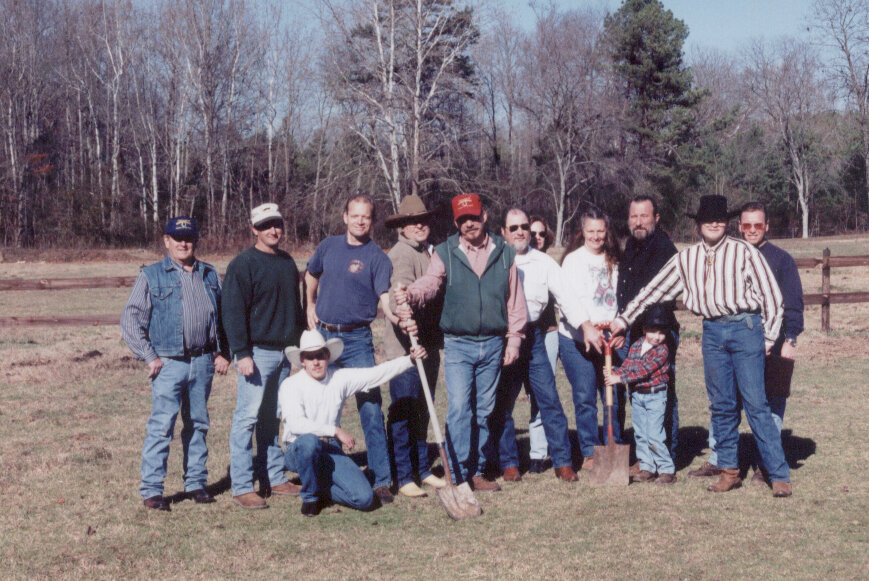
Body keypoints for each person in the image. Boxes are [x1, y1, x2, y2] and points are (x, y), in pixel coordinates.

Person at [612, 195, 792, 497]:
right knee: (721, 405)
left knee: (756, 403)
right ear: (698, 224)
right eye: (708, 219)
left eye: (720, 219)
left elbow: (772, 296)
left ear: (727, 222)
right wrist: (624, 319)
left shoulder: (745, 252)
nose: (714, 224)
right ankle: (729, 470)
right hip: (712, 333)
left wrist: (771, 336)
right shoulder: (686, 258)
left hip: (746, 328)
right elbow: (653, 290)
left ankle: (778, 473)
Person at [394, 193, 527, 492]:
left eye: (474, 217)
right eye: (463, 220)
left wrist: (514, 341)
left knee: (483, 409)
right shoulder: (445, 251)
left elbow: (515, 300)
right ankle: (456, 470)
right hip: (458, 344)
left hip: (493, 343)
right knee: (458, 409)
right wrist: (412, 293)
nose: (470, 224)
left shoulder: (505, 252)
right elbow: (431, 282)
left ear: (484, 217)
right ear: (456, 223)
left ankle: (476, 470)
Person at [121, 216, 230, 511]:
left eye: (189, 238)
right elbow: (131, 319)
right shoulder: (151, 275)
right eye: (177, 237)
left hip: (203, 361)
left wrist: (222, 352)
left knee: (198, 424)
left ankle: (196, 483)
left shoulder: (209, 274)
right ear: (166, 241)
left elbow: (221, 319)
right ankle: (153, 490)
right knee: (161, 426)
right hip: (169, 363)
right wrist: (149, 355)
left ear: (195, 241)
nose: (183, 243)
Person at [694, 202, 804, 484]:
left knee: (767, 404)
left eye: (758, 225)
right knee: (725, 400)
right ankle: (720, 458)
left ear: (767, 226)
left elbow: (791, 304)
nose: (752, 230)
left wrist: (789, 339)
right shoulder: (727, 254)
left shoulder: (781, 259)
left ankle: (765, 464)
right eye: (746, 225)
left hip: (773, 342)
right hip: (737, 340)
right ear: (738, 226)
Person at [304, 194, 395, 504]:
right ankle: (323, 473)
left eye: (365, 217)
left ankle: (381, 479)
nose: (359, 221)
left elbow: (385, 299)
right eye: (354, 215)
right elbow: (311, 274)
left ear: (372, 221)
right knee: (323, 406)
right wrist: (310, 304)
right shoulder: (328, 246)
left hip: (358, 341)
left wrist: (397, 315)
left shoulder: (378, 258)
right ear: (344, 216)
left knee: (370, 408)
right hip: (325, 339)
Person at [279, 330, 427, 516]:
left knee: (365, 499)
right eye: (310, 357)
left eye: (319, 355)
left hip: (329, 447)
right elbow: (295, 425)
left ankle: (320, 485)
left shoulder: (339, 377)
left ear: (327, 355)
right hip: (299, 448)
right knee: (309, 443)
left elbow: (375, 374)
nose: (315, 362)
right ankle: (310, 497)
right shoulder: (290, 385)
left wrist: (409, 360)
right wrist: (335, 430)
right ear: (302, 360)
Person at [490, 209, 582, 483]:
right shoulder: (495, 259)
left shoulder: (544, 262)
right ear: (504, 232)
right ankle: (509, 463)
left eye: (524, 226)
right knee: (503, 403)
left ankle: (563, 462)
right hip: (504, 338)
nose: (520, 231)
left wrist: (585, 326)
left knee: (548, 400)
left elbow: (566, 296)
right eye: (513, 227)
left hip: (534, 339)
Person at [223, 203, 304, 509]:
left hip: (284, 355)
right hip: (256, 354)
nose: (274, 230)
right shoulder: (242, 265)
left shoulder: (286, 262)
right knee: (246, 419)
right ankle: (242, 486)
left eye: (278, 224)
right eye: (267, 225)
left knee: (272, 418)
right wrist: (241, 353)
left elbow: (295, 311)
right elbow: (232, 313)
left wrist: (298, 350)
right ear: (254, 229)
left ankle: (276, 477)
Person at [381, 195, 447, 498]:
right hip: (405, 349)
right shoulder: (401, 254)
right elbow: (398, 298)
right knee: (404, 409)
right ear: (402, 227)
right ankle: (403, 473)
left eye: (423, 219)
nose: (419, 225)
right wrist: (404, 321)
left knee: (424, 408)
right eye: (412, 221)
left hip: (427, 345)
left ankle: (422, 469)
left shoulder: (428, 252)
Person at [558, 208, 625, 470]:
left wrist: (620, 330)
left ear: (606, 231)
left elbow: (623, 297)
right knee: (585, 395)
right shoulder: (573, 261)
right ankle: (589, 450)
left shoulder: (615, 258)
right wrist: (587, 327)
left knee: (613, 393)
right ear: (582, 232)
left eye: (601, 231)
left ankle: (614, 444)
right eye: (591, 231)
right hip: (577, 340)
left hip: (610, 338)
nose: (596, 236)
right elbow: (567, 300)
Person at [616, 195, 680, 465]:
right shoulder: (630, 245)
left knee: (660, 394)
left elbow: (651, 295)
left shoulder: (664, 248)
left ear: (656, 218)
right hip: (632, 331)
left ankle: (668, 456)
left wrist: (627, 322)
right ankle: (646, 459)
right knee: (639, 393)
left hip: (658, 332)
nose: (638, 222)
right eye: (634, 216)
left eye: (644, 216)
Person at [605, 305, 677, 485]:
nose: (657, 336)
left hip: (655, 397)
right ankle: (647, 467)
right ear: (644, 330)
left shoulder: (662, 350)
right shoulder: (637, 345)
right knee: (641, 434)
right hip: (637, 397)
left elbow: (643, 371)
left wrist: (619, 378)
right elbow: (629, 365)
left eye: (661, 332)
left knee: (654, 434)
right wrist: (614, 371)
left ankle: (666, 469)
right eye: (653, 331)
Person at [526, 215, 557, 473]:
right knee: (528, 393)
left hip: (548, 333)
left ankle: (542, 452)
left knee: (545, 393)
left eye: (541, 234)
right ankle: (534, 450)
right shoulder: (517, 262)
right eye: (531, 232)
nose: (536, 237)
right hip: (522, 334)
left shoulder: (549, 264)